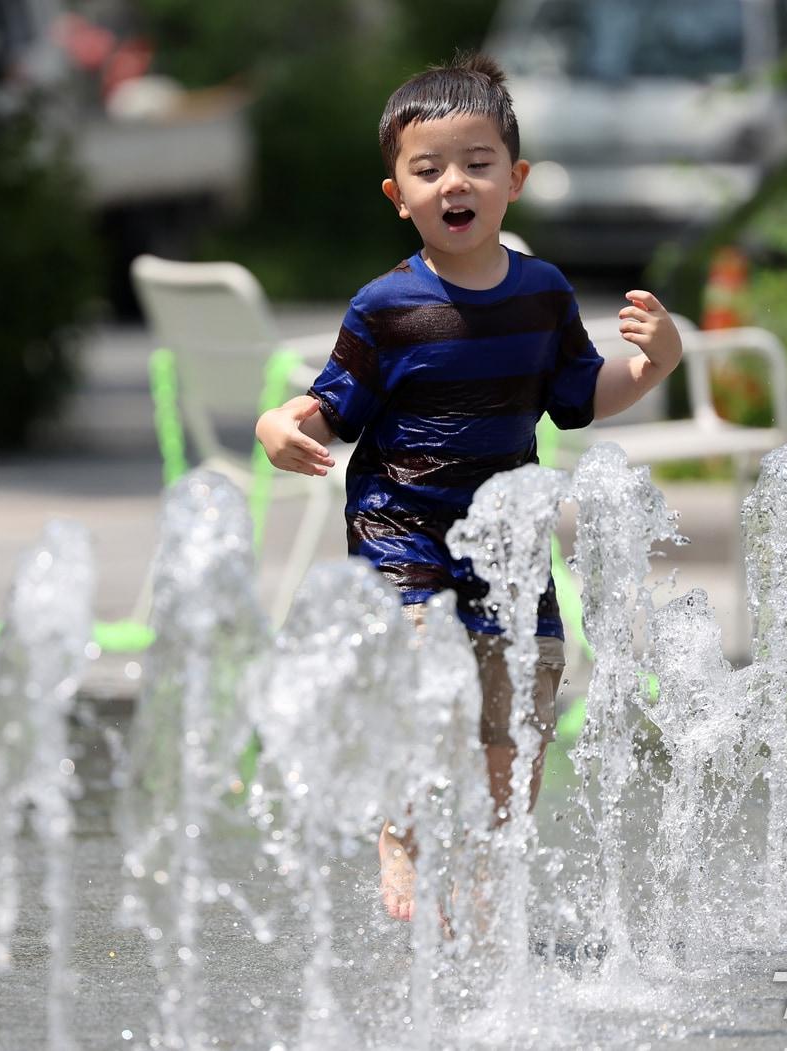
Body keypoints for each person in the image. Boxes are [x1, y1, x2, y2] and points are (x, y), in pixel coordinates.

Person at [255, 52, 681, 922]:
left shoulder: (543, 296)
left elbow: (580, 398)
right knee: (421, 680)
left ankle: (495, 867)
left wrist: (655, 362)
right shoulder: (386, 307)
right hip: (400, 529)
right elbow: (332, 404)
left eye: (478, 164)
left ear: (514, 179)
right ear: (398, 195)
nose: (457, 182)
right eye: (429, 168)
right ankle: (401, 837)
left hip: (507, 543)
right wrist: (277, 424)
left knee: (521, 714)